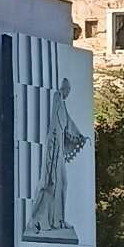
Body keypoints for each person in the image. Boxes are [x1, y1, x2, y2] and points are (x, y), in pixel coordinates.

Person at [22, 76, 87, 236]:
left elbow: (68, 123)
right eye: (66, 89)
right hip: (53, 150)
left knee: (61, 184)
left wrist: (78, 135)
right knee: (51, 184)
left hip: (57, 151)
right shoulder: (57, 97)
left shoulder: (62, 104)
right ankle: (41, 220)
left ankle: (57, 219)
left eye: (68, 91)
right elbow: (58, 126)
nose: (67, 93)